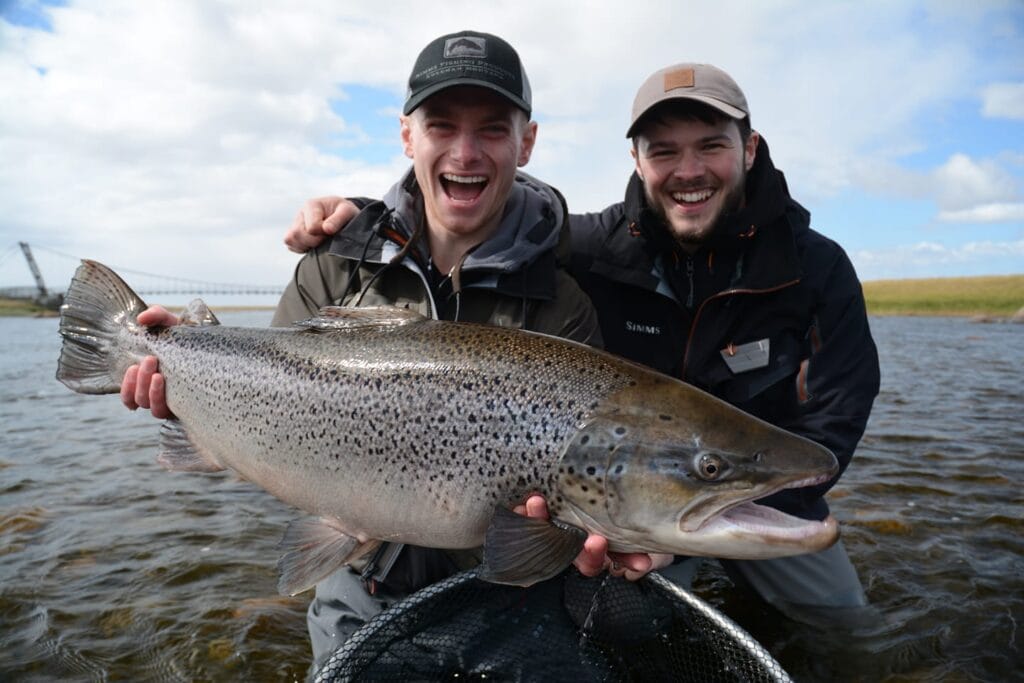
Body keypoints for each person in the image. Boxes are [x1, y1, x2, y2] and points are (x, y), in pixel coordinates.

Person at [121, 31, 666, 673]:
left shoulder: (563, 303)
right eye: (441, 125)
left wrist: (592, 536)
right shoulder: (334, 264)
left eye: (493, 129)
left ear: (527, 143)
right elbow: (264, 392)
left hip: (502, 588)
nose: (466, 152)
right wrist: (183, 393)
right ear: (409, 136)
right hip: (361, 575)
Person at [284, 62, 881, 621]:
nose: (688, 170)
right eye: (665, 150)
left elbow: (838, 413)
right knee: (629, 624)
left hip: (756, 490)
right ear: (638, 159)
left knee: (846, 624)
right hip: (641, 498)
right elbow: (475, 224)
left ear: (748, 150)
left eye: (712, 146)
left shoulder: (816, 267)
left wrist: (786, 495)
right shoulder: (589, 247)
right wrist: (364, 222)